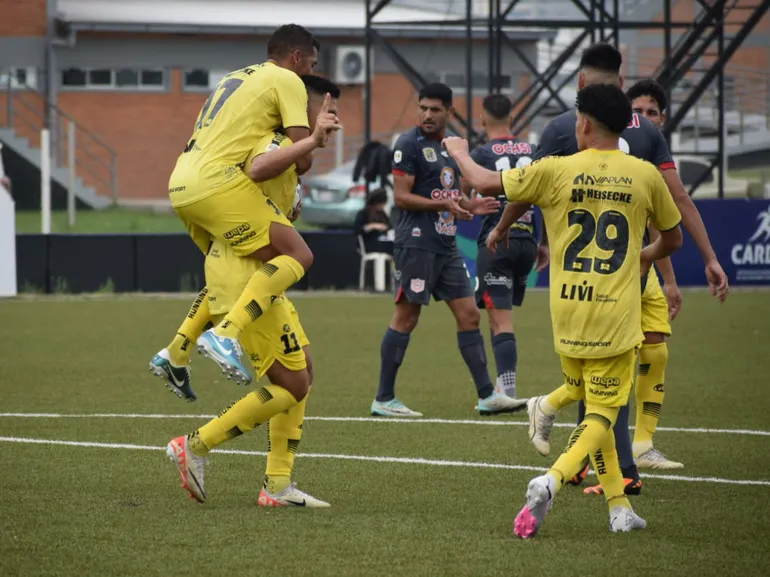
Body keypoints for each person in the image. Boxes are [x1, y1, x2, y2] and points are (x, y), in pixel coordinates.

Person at [444, 82, 683, 537]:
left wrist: (458, 149)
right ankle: (550, 480)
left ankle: (618, 507)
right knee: (603, 414)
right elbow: (672, 238)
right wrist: (645, 256)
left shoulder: (554, 169)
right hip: (615, 314)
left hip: (568, 313)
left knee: (590, 394)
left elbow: (480, 181)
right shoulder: (645, 175)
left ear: (585, 123)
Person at [503, 42, 729, 495]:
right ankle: (616, 469)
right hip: (606, 273)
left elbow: (526, 189)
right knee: (607, 374)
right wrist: (704, 258)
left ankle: (615, 462)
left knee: (634, 359)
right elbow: (672, 210)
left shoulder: (602, 130)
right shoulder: (582, 131)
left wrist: (679, 269)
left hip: (624, 270)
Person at [164, 75, 341, 508]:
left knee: (303, 374)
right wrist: (312, 141)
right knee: (293, 382)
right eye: (321, 107)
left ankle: (277, 485)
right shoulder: (271, 137)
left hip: (253, 273)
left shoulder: (279, 145)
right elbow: (261, 166)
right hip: (244, 275)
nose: (326, 117)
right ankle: (196, 444)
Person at [158, 24, 340, 397]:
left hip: (182, 180)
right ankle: (226, 334)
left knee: (232, 266)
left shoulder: (237, 77)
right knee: (298, 254)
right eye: (311, 63)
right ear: (296, 58)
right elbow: (298, 155)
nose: (309, 73)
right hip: (217, 182)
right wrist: (316, 139)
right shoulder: (287, 80)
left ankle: (176, 352)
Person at [370, 82, 524, 418]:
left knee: (470, 315)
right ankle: (383, 398)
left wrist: (472, 205)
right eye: (423, 107)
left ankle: (487, 395)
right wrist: (452, 207)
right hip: (416, 242)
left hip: (446, 243)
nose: (427, 114)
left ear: (449, 112)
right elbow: (402, 197)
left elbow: (449, 197)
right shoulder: (408, 144)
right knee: (407, 317)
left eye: (435, 109)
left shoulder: (451, 148)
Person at [463, 94, 541, 401]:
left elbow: (463, 196)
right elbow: (540, 196)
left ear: (482, 119)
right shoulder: (532, 151)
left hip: (497, 241)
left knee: (499, 319)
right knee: (505, 317)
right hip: (527, 242)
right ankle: (504, 385)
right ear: (512, 118)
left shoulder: (482, 154)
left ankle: (506, 389)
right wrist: (542, 241)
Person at [624, 78, 684, 469]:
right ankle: (589, 441)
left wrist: (670, 279)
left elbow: (659, 229)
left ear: (661, 119)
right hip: (608, 271)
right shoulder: (616, 157)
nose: (644, 119)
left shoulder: (654, 163)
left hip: (642, 268)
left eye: (651, 113)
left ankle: (643, 444)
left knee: (656, 347)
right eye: (637, 113)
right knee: (608, 361)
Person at [354, 188, 393, 255]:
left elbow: (389, 225)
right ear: (375, 202)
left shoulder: (382, 214)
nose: (382, 206)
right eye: (381, 204)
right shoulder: (364, 213)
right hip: (369, 243)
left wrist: (385, 227)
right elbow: (357, 229)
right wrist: (372, 226)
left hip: (381, 242)